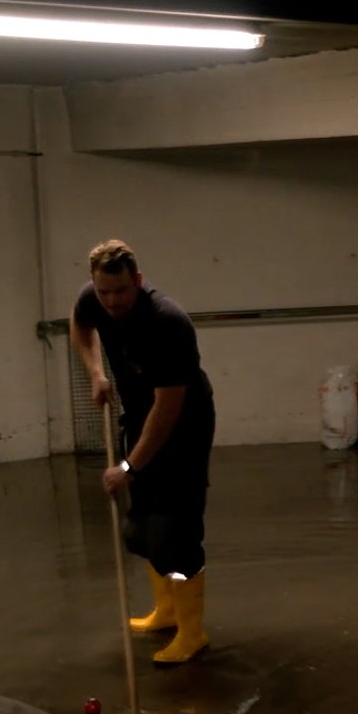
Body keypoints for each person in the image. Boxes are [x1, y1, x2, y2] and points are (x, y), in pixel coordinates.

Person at [70, 240, 218, 665]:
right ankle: (167, 611)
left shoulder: (167, 322)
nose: (111, 301)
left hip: (183, 423)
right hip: (139, 413)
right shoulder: (93, 299)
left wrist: (130, 466)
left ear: (137, 280)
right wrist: (96, 372)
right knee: (142, 531)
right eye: (103, 292)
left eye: (120, 291)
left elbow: (169, 406)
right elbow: (79, 324)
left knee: (177, 529)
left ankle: (193, 632)